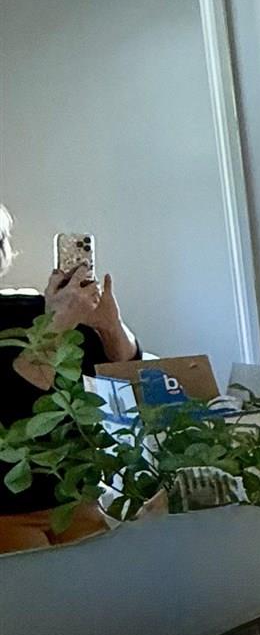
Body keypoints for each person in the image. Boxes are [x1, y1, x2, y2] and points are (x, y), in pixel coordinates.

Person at [0, 201, 141, 551]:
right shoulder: (53, 313)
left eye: (1, 239)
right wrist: (58, 324)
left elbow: (129, 379)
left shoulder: (35, 305)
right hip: (6, 507)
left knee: (108, 588)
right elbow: (12, 403)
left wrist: (111, 327)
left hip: (75, 495)